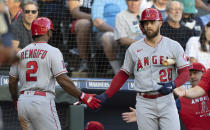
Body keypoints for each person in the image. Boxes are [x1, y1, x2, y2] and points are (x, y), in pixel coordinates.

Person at [95, 8, 189, 130]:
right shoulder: (134, 48)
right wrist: (106, 95)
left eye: (152, 22)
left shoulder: (173, 45)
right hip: (144, 102)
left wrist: (173, 84)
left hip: (166, 100)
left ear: (160, 23)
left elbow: (185, 72)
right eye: (145, 23)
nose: (149, 25)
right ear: (141, 26)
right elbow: (123, 74)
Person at [9, 17, 101, 130]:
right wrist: (82, 95)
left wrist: (15, 99)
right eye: (50, 30)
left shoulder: (20, 53)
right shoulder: (53, 51)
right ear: (47, 31)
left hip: (23, 102)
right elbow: (62, 79)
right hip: (41, 102)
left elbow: (12, 81)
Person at [122, 62, 210, 130]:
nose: (192, 76)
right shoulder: (180, 101)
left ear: (205, 73)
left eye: (195, 73)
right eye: (190, 74)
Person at [91, 0, 127, 74]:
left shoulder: (128, 1)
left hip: (127, 32)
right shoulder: (99, 1)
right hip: (107, 32)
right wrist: (116, 31)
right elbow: (97, 21)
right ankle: (117, 71)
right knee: (107, 37)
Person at [69, 0, 92, 72]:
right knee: (84, 23)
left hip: (102, 22)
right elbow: (75, 13)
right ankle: (84, 61)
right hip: (80, 22)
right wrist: (95, 18)